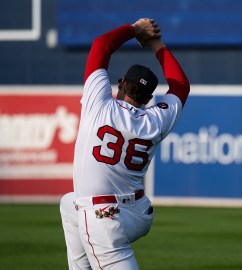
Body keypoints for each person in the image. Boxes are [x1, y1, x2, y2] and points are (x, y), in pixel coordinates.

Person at [60, 18, 190, 270]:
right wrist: (156, 44)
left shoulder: (98, 105)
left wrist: (135, 30)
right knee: (69, 203)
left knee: (82, 210)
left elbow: (101, 45)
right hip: (138, 213)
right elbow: (181, 85)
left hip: (104, 217)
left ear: (120, 84)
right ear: (150, 98)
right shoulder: (156, 119)